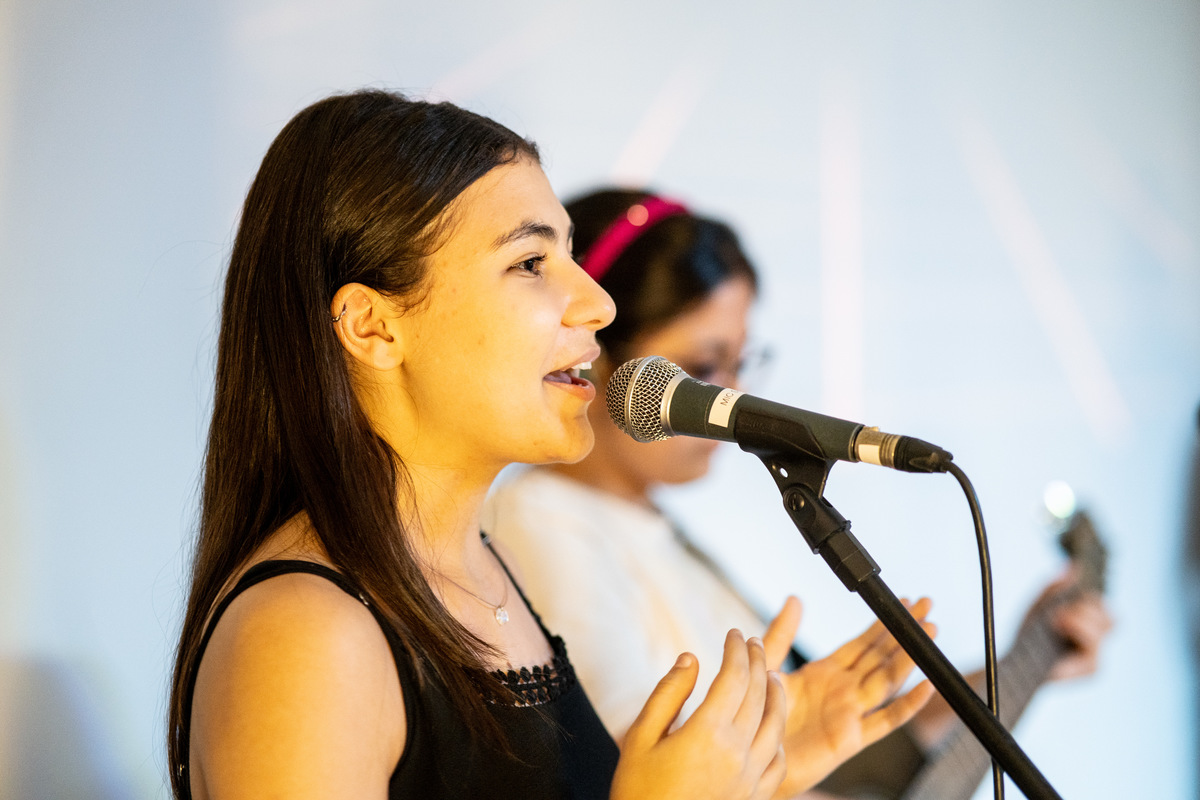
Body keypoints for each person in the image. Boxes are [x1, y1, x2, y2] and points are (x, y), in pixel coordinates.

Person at [166, 91, 935, 800]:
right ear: (374, 326)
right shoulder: (305, 635)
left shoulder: (486, 581)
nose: (596, 305)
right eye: (531, 263)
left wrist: (763, 771)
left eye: (569, 255)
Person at [484, 187, 1113, 798]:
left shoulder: (645, 528)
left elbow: (826, 768)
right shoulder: (542, 523)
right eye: (703, 369)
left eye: (739, 364)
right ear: (598, 360)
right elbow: (637, 774)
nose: (728, 397)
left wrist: (1012, 674)